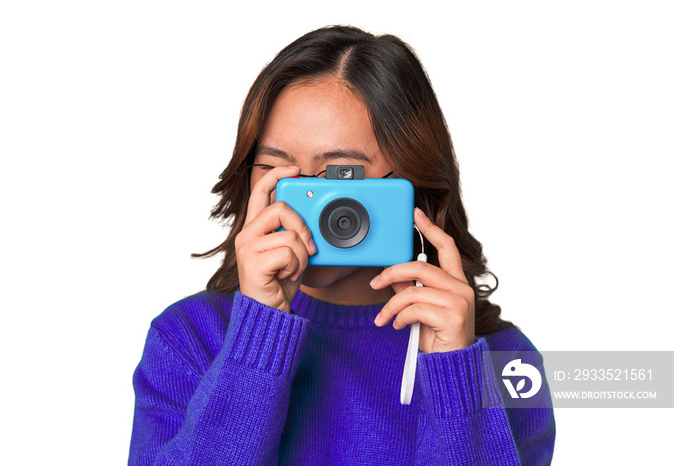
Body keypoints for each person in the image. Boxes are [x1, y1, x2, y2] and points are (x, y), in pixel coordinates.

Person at [128, 25, 556, 465]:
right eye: (277, 169)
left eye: (341, 174)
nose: (303, 203)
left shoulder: (507, 363)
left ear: (414, 179)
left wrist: (455, 375)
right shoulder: (188, 339)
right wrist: (256, 340)